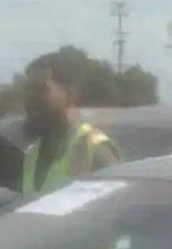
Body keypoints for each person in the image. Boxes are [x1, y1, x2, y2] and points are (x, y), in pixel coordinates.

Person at [19, 52, 121, 198]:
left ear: (72, 93)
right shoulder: (32, 156)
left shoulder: (94, 148)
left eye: (40, 89)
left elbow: (116, 213)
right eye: (28, 89)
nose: (30, 98)